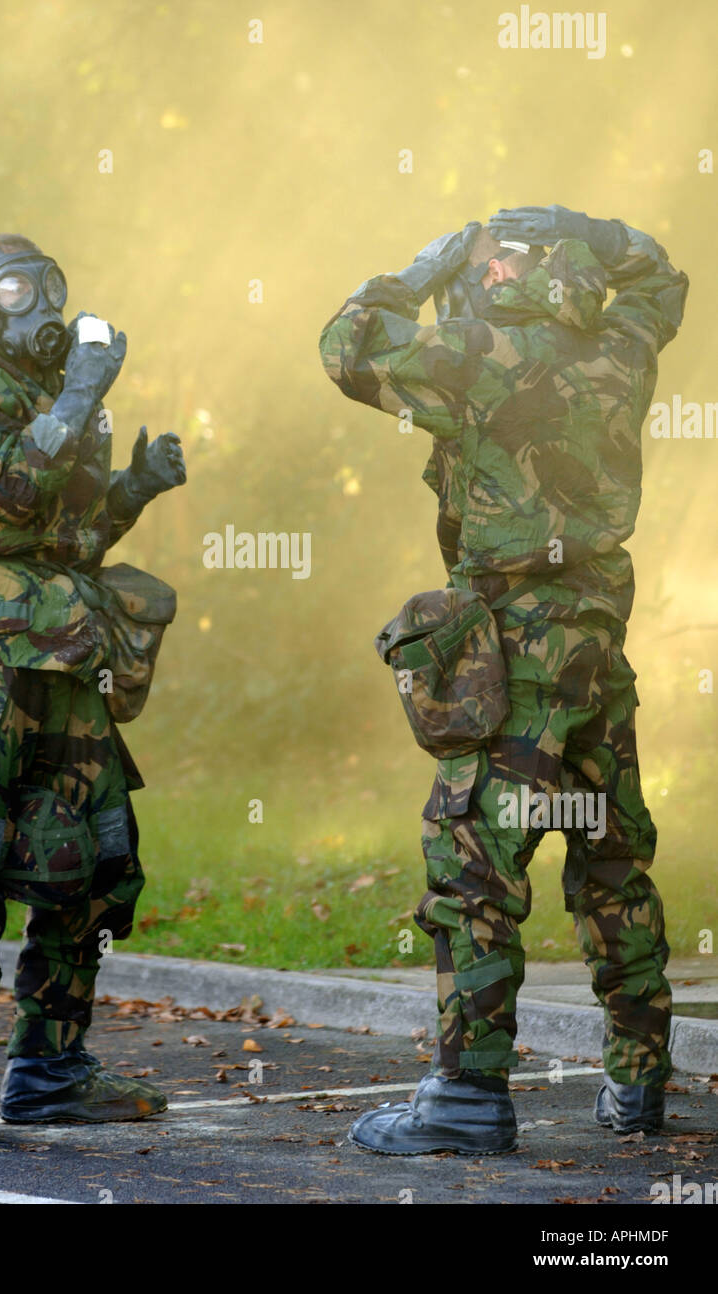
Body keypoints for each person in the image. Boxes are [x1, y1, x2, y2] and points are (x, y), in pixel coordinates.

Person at [319, 206, 688, 1155]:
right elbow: (662, 282)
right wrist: (596, 230)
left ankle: (467, 1100)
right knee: (612, 863)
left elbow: (346, 343)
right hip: (597, 649)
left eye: (474, 265)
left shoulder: (475, 353)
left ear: (494, 277)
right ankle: (639, 1086)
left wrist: (415, 267)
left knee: (475, 868)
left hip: (515, 654)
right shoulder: (617, 349)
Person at [0, 233, 185, 1143]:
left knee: (92, 865)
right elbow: (11, 495)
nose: (41, 309)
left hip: (65, 661)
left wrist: (135, 486)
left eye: (49, 290)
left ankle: (51, 1069)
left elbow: (70, 539)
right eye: (17, 291)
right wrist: (82, 389)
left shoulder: (44, 399)